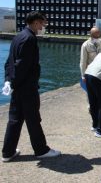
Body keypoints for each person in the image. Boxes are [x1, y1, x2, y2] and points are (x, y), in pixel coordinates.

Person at [1, 11, 61, 162]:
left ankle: (7, 152)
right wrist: (14, 81)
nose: (42, 26)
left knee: (14, 119)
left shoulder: (18, 37)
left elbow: (10, 62)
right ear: (35, 22)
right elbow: (22, 66)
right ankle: (41, 150)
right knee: (33, 119)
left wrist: (8, 81)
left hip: (18, 87)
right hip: (27, 88)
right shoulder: (29, 39)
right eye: (42, 23)